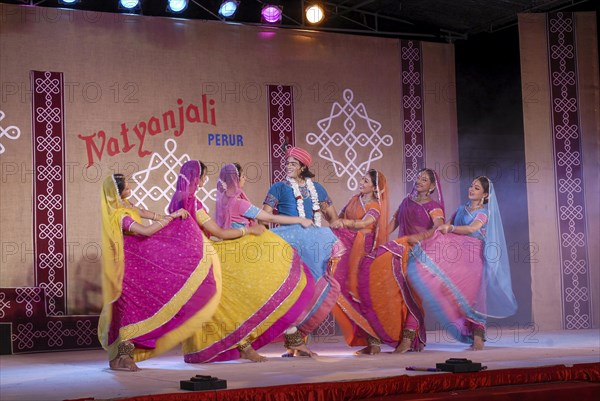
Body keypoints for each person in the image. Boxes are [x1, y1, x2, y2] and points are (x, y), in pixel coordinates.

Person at [171, 161, 316, 362]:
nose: (204, 180)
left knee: (228, 305)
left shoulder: (190, 202)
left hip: (206, 257)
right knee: (266, 291)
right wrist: (298, 220)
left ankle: (270, 342)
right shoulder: (224, 203)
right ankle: (264, 343)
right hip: (228, 255)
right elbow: (232, 228)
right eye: (202, 176)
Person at [98, 174, 221, 371]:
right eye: (127, 185)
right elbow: (144, 232)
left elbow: (143, 212)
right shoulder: (119, 216)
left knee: (140, 308)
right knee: (129, 311)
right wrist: (171, 218)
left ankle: (122, 358)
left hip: (139, 267)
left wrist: (162, 217)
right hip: (128, 270)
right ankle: (123, 357)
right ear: (117, 191)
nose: (130, 186)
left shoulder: (126, 205)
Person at [407, 176, 518, 350]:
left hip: (474, 259)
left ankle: (478, 337)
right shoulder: (461, 209)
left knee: (475, 297)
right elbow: (442, 228)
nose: (471, 189)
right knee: (454, 292)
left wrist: (450, 228)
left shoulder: (483, 213)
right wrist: (425, 238)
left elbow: (472, 228)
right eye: (471, 186)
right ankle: (468, 332)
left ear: (485, 194)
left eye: (476, 188)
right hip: (457, 256)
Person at [263, 146, 344, 356]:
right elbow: (264, 216)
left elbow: (332, 218)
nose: (287, 167)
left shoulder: (317, 189)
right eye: (287, 163)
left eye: (292, 164)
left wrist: (342, 224)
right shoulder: (278, 188)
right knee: (291, 290)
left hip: (314, 241)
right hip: (288, 241)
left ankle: (296, 340)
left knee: (311, 288)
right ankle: (294, 339)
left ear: (302, 167)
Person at [357, 168, 445, 354]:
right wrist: (377, 238)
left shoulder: (434, 206)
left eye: (425, 179)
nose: (419, 180)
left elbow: (439, 228)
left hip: (420, 253)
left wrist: (420, 237)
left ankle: (408, 338)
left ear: (431, 187)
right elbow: (393, 223)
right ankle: (378, 339)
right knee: (391, 292)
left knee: (413, 295)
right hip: (400, 251)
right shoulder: (406, 201)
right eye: (418, 177)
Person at [328, 169, 390, 354]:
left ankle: (374, 340)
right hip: (345, 245)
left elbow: (365, 224)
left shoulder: (376, 206)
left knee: (356, 291)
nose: (361, 183)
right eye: (361, 180)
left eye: (365, 181)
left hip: (361, 251)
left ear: (375, 186)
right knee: (339, 286)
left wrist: (344, 224)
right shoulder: (355, 199)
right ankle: (370, 339)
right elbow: (338, 217)